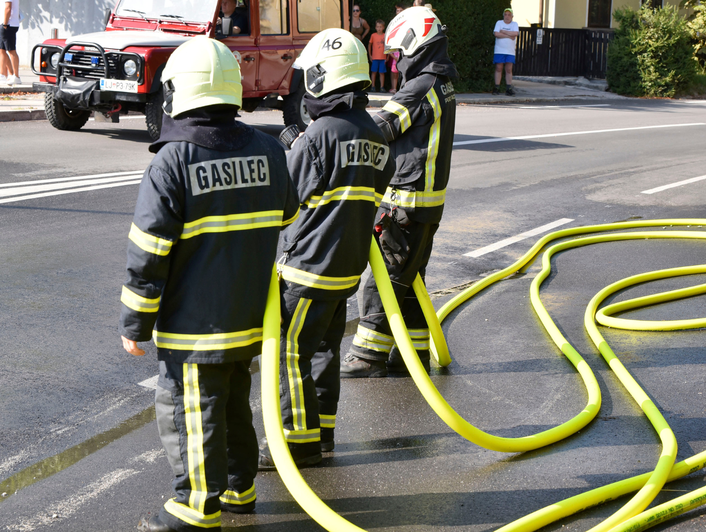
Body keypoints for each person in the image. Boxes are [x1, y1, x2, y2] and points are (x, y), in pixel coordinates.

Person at [120, 37, 299, 532]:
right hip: (249, 321)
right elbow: (289, 212)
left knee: (190, 409)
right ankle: (240, 489)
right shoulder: (268, 149)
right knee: (236, 403)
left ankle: (195, 508)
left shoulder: (171, 163)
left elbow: (148, 252)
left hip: (194, 325)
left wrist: (135, 323)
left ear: (177, 91)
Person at [257, 28, 395, 468]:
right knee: (324, 351)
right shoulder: (376, 136)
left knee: (290, 353)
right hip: (346, 270)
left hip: (305, 268)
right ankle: (324, 434)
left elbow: (286, 200)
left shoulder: (319, 136)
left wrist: (290, 149)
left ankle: (297, 443)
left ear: (322, 78)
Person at [340, 5, 458, 378]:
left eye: (397, 53)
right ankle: (413, 354)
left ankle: (367, 356)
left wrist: (339, 126)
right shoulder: (442, 81)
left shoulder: (421, 86)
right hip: (427, 205)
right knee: (410, 282)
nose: (395, 62)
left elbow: (383, 127)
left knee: (383, 280)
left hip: (406, 203)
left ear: (415, 41)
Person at [492, 7, 519, 96]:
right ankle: (497, 87)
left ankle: (508, 88)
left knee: (508, 69)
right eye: (505, 14)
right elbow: (496, 34)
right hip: (499, 50)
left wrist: (503, 32)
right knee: (499, 68)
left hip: (510, 51)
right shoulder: (499, 23)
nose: (507, 16)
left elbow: (515, 34)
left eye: (509, 15)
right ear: (503, 15)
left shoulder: (514, 24)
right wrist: (509, 35)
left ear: (512, 16)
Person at [0, 0, 20, 86]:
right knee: (2, 50)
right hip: (6, 24)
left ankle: (16, 76)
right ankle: (4, 75)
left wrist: (5, 24)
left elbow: (8, 8)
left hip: (9, 25)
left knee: (11, 50)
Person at [369, 19, 387, 93]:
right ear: (375, 28)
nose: (379, 28)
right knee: (374, 72)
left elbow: (387, 46)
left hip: (383, 58)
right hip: (375, 57)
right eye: (377, 27)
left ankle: (382, 87)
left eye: (380, 27)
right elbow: (369, 45)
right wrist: (370, 55)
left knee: (382, 73)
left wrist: (388, 56)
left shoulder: (385, 35)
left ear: (383, 27)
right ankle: (373, 86)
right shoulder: (373, 35)